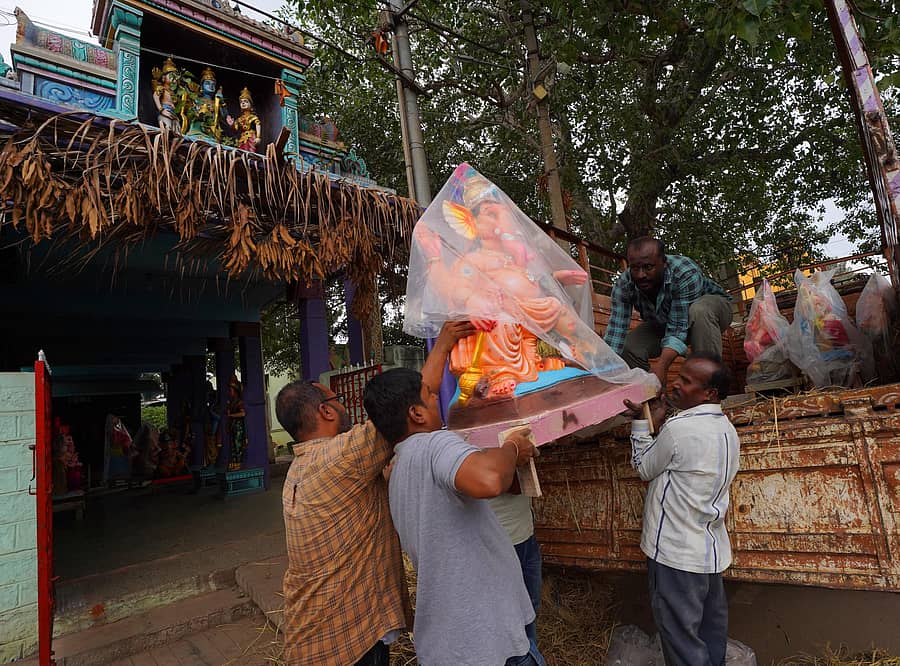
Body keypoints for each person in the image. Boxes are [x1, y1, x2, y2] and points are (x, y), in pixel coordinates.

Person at [275, 321, 474, 666]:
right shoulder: (337, 457)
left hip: (311, 638)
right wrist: (443, 342)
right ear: (325, 411)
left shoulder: (299, 469)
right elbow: (411, 405)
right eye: (335, 400)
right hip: (347, 640)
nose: (341, 406)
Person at [364, 367, 545, 666]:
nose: (437, 399)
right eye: (430, 395)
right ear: (416, 414)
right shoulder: (436, 444)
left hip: (453, 642)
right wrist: (513, 446)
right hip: (488, 640)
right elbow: (489, 480)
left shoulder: (398, 469)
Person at [623, 352, 740, 666]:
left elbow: (644, 468)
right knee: (710, 633)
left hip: (675, 555)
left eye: (686, 381)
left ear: (709, 394)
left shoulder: (679, 430)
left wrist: (642, 424)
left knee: (681, 640)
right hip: (709, 551)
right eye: (678, 376)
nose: (675, 384)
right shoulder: (727, 430)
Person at [604, 237, 732, 390]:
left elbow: (677, 329)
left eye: (648, 267)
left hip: (711, 312)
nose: (640, 275)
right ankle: (651, 395)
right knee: (629, 346)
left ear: (664, 263)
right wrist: (599, 371)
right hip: (664, 323)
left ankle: (708, 391)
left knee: (699, 311)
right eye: (634, 268)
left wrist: (662, 367)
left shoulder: (685, 272)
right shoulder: (624, 284)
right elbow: (615, 334)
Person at [488, 491, 544, 657]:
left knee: (531, 604)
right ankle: (521, 657)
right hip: (500, 542)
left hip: (526, 534)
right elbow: (498, 484)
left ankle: (529, 651)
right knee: (509, 615)